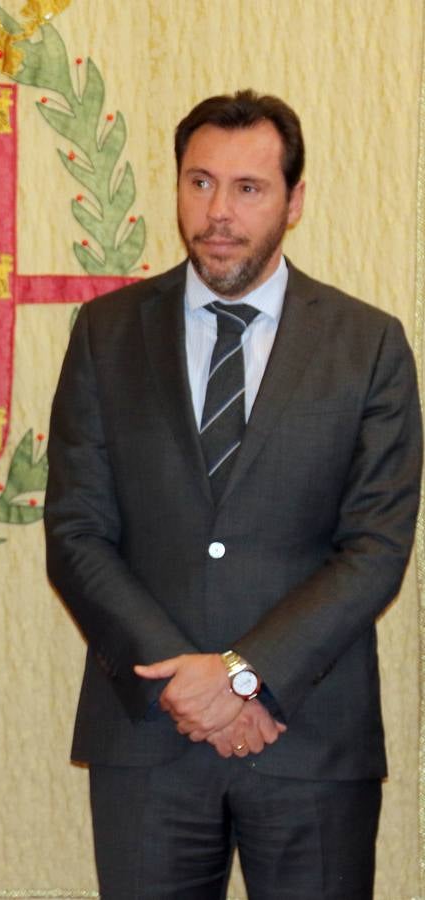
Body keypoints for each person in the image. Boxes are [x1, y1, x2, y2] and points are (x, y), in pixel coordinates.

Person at [44, 90, 422, 898]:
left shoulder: (369, 345)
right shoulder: (105, 334)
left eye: (248, 188)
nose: (219, 212)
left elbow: (376, 548)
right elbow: (77, 530)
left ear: (295, 200)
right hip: (149, 735)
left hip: (310, 738)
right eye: (200, 182)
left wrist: (246, 675)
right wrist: (190, 688)